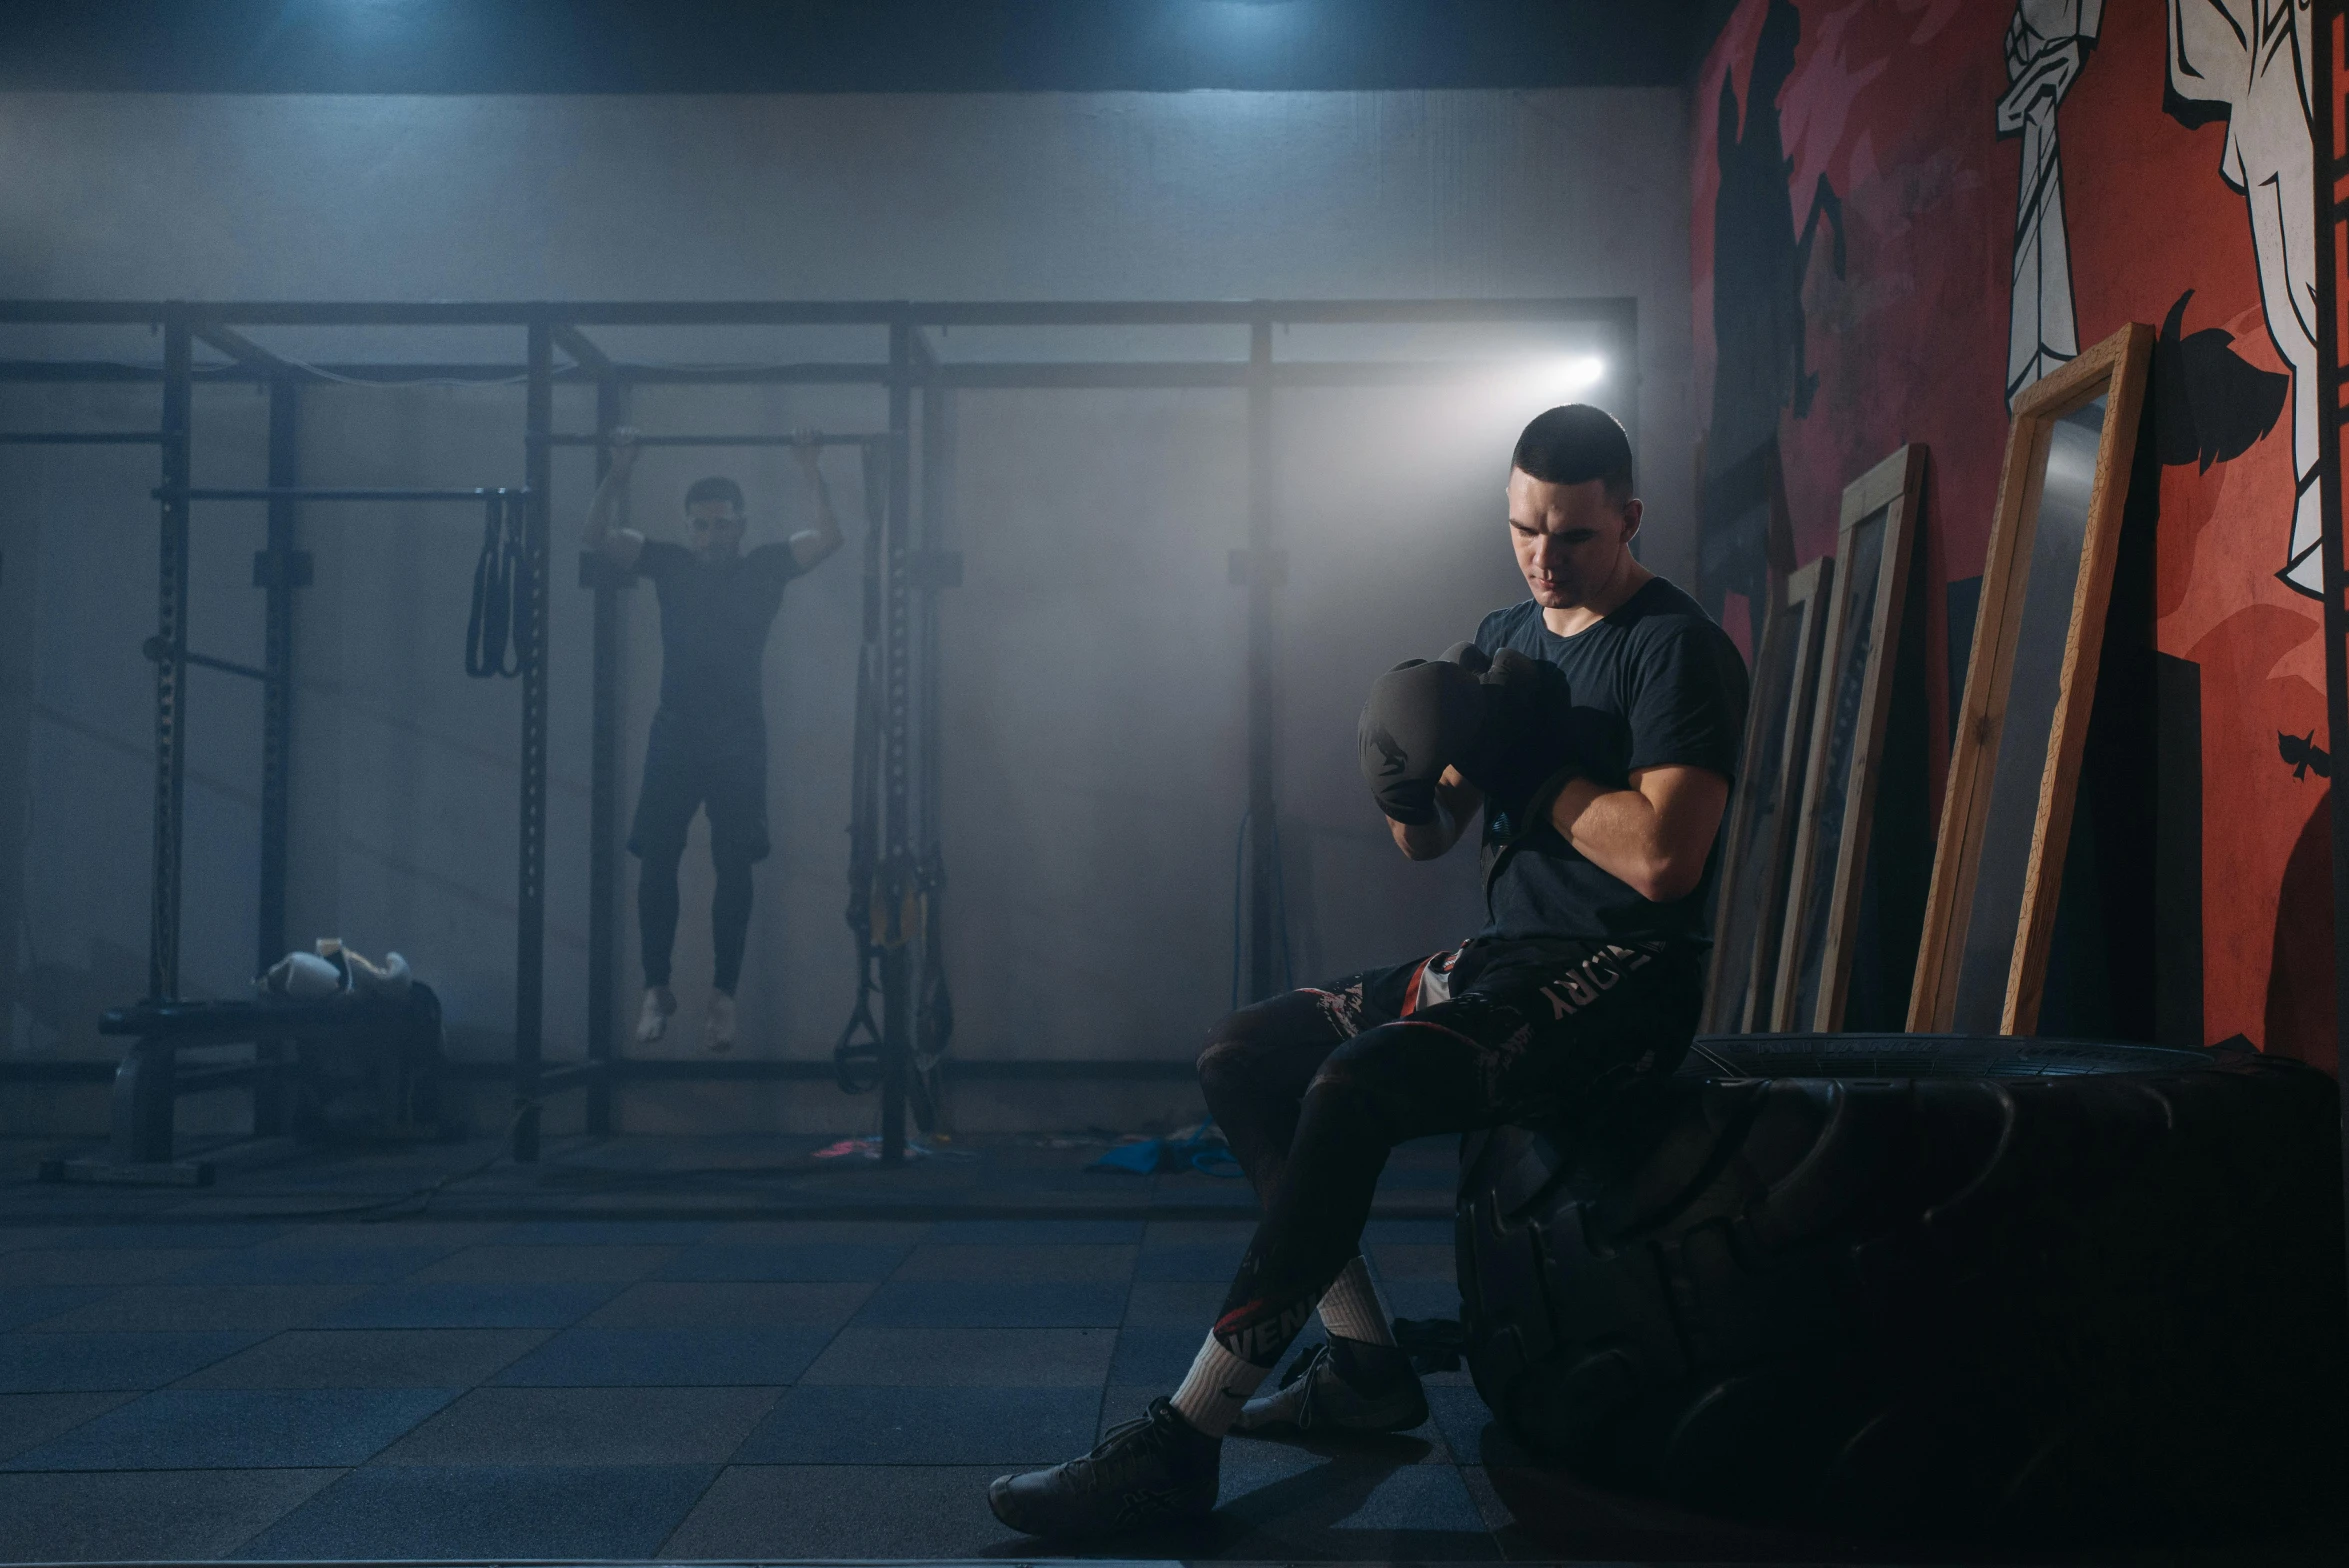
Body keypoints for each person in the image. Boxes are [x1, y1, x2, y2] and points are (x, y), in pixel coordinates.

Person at [987, 404, 1749, 1536]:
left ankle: (1188, 1436)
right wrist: (1409, 769)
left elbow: (1663, 858)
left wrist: (1525, 767)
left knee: (1355, 1088)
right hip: (1507, 962)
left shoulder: (1675, 648)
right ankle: (1364, 1365)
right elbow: (1429, 840)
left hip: (1625, 981)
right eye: (1522, 529)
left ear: (1629, 518)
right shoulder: (1508, 629)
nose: (1544, 558)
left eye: (1574, 536)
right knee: (1242, 1055)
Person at [584, 428, 844, 1053]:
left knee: (734, 865)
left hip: (737, 739)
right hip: (676, 734)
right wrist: (618, 472)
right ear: (689, 526)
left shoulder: (764, 568)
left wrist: (810, 470)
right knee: (656, 860)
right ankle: (657, 987)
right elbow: (594, 537)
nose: (709, 538)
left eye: (721, 526)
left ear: (740, 525)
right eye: (700, 526)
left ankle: (724, 993)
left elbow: (830, 539)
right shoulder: (670, 562)